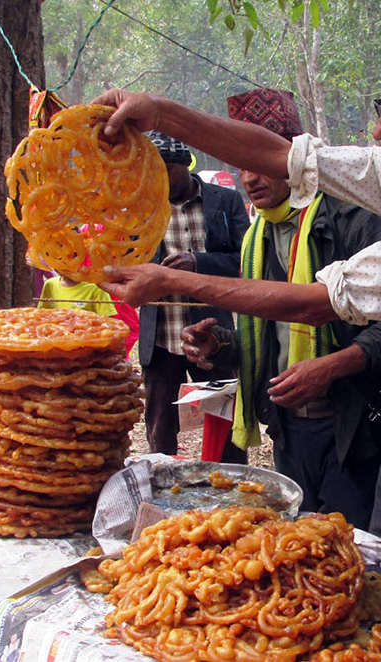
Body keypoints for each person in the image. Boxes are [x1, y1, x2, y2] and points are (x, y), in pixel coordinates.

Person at [93, 2, 381, 656]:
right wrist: (159, 113)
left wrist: (171, 282)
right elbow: (283, 154)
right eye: (380, 108)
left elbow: (316, 303)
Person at [177, 88, 381, 528]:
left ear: (291, 157)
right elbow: (270, 335)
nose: (250, 178)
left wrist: (331, 366)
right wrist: (221, 344)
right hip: (288, 427)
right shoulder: (256, 237)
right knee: (300, 542)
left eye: (262, 163)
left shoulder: (355, 220)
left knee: (347, 546)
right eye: (241, 166)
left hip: (354, 426)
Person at [138, 131, 250, 463]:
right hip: (160, 339)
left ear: (185, 164)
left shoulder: (224, 202)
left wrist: (198, 262)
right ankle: (163, 491)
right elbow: (129, 260)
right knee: (160, 428)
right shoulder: (143, 207)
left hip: (212, 334)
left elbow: (245, 259)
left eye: (166, 170)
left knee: (225, 420)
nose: (160, 179)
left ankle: (230, 484)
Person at [38, 273, 139, 354]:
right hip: (56, 348)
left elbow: (110, 323)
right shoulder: (50, 285)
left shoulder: (96, 287)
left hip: (87, 349)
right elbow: (41, 316)